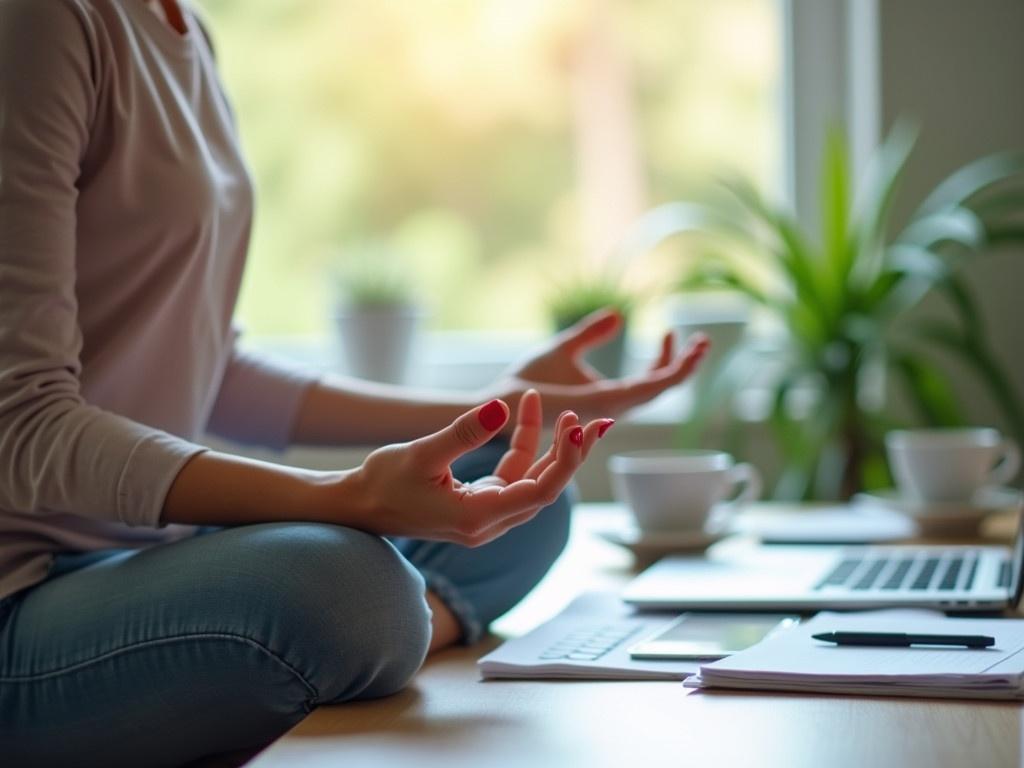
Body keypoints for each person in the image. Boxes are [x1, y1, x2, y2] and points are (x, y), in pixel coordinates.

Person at [0, 0, 709, 765]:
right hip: (28, 597)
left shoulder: (185, 30)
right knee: (345, 586)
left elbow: (215, 370)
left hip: (151, 554)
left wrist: (494, 411)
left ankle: (370, 641)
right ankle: (375, 629)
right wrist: (341, 497)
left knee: (525, 501)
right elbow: (24, 421)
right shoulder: (44, 20)